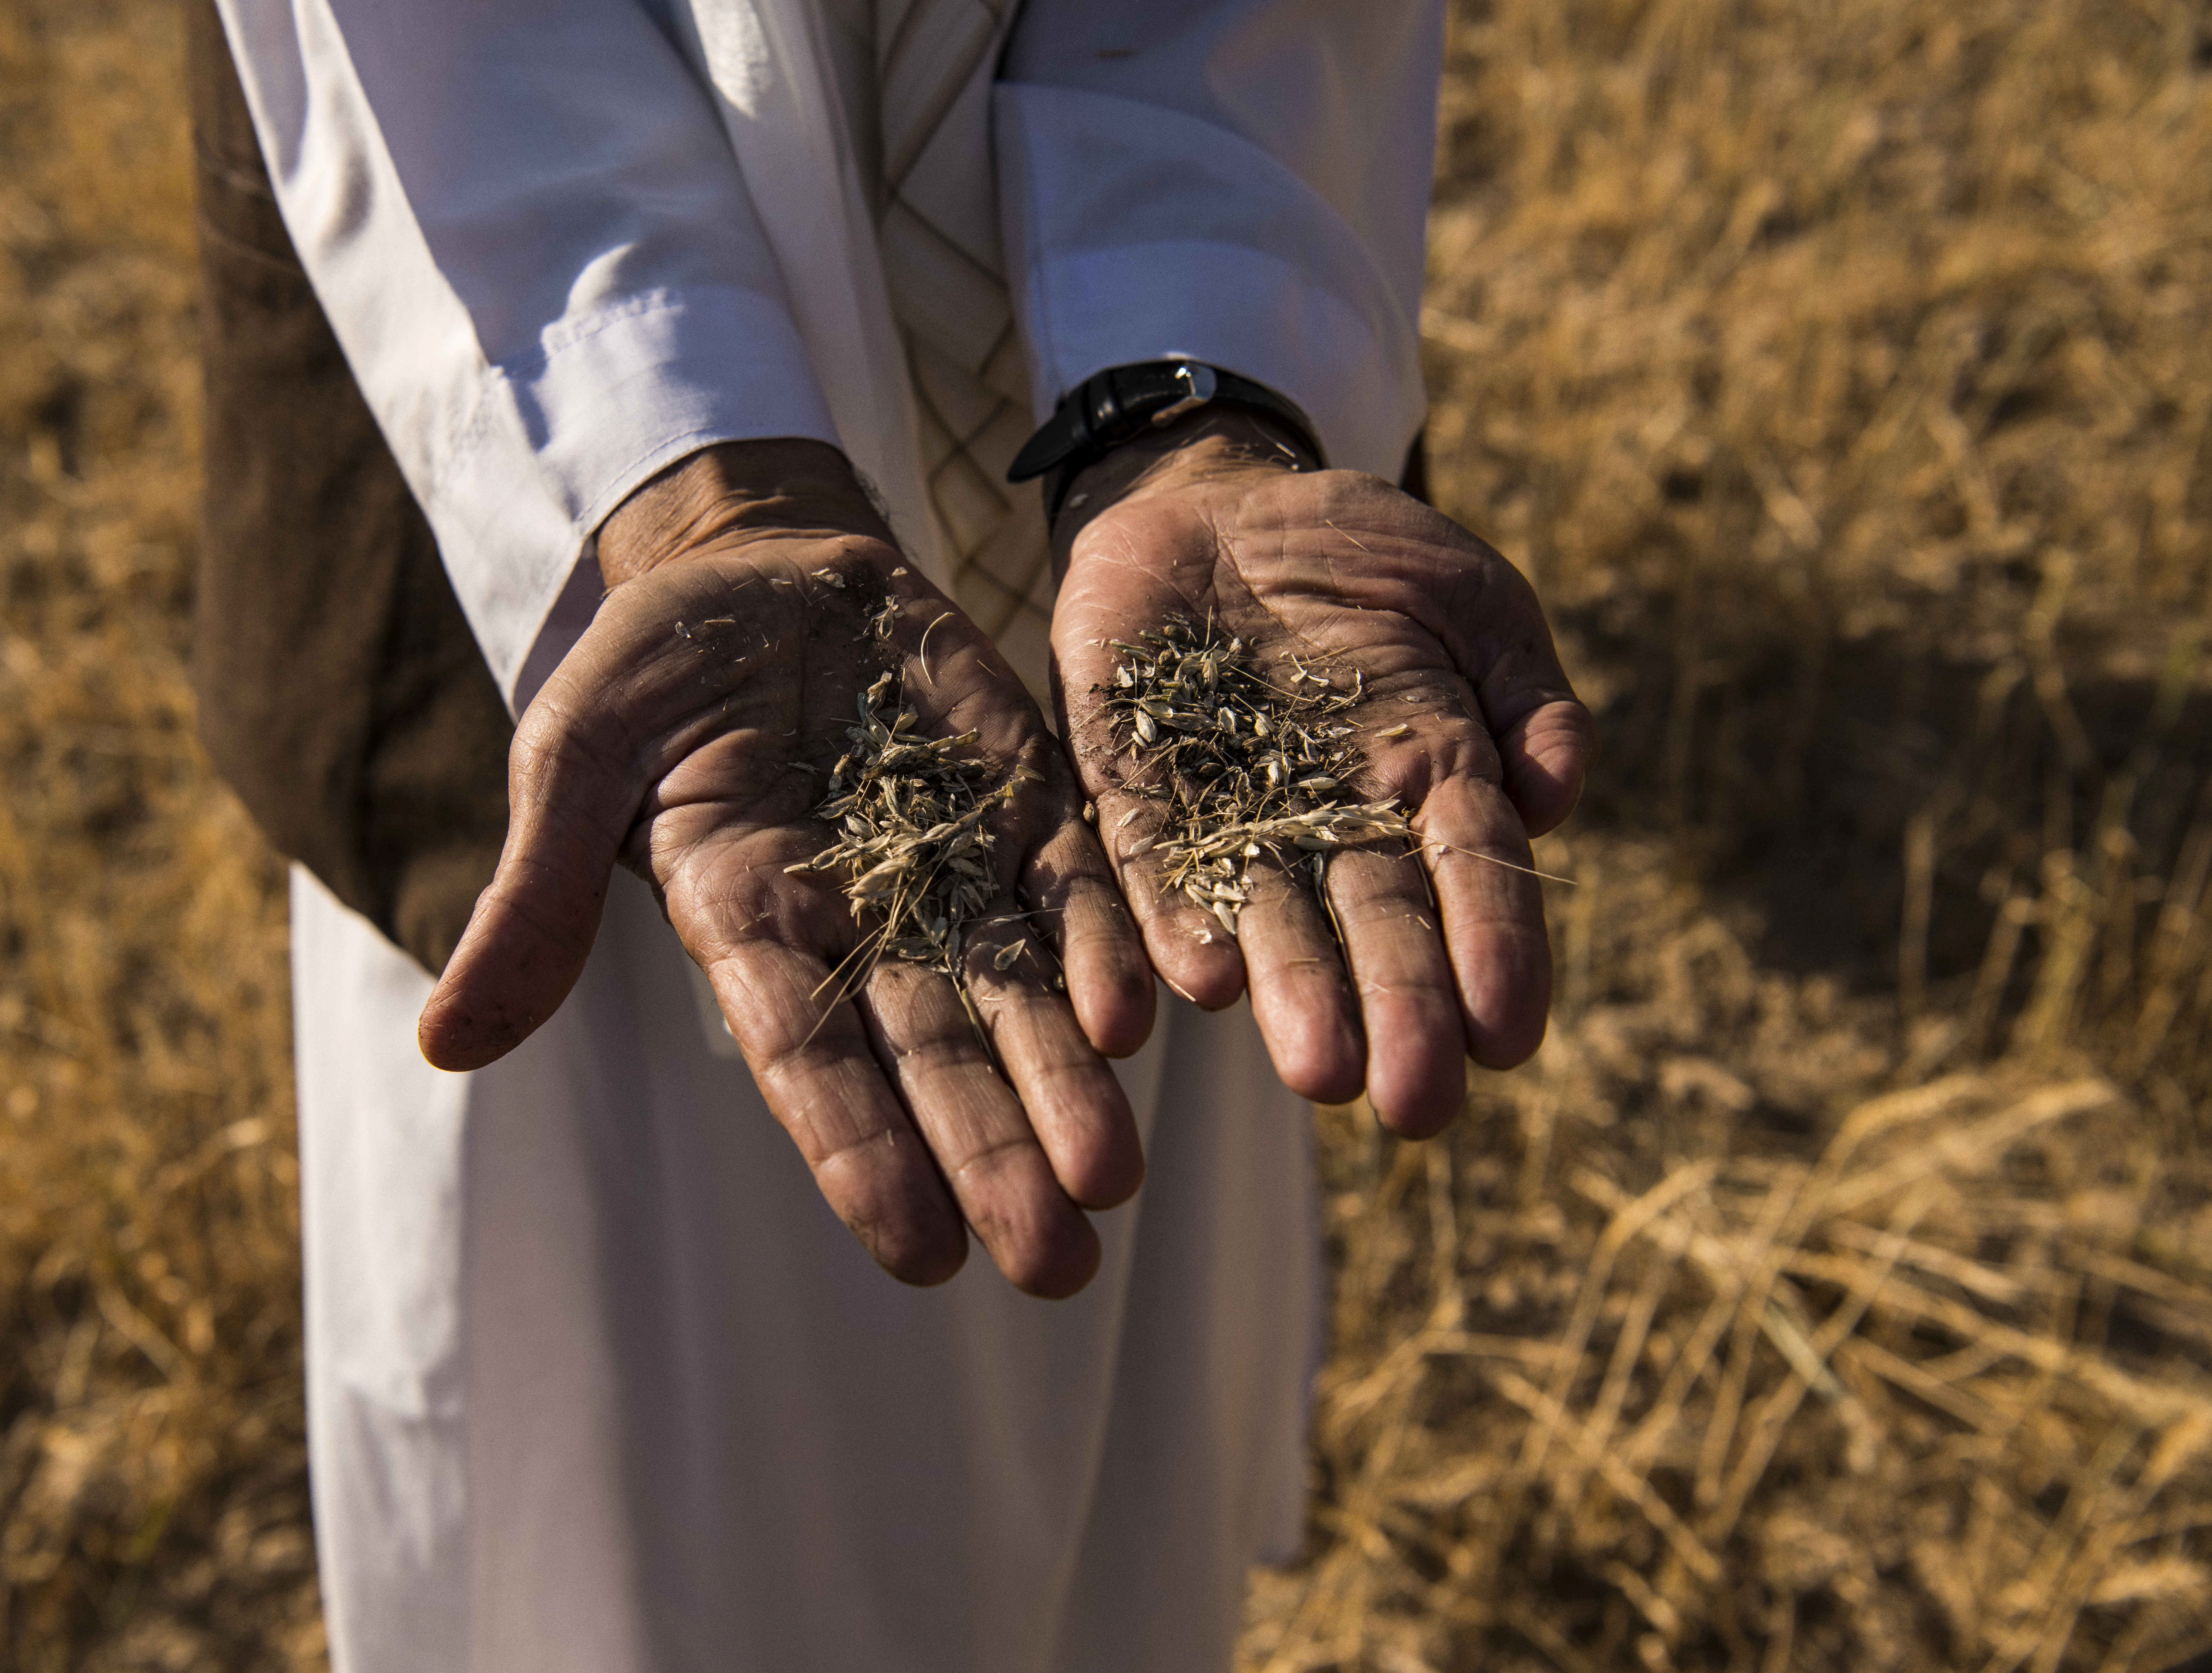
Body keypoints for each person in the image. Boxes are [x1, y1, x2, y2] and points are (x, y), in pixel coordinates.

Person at [187, 1, 1593, 1668]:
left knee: (1148, 1034)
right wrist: (688, 474)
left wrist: (1186, 375)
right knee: (656, 1435)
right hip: (536, 379)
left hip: (1126, 612)